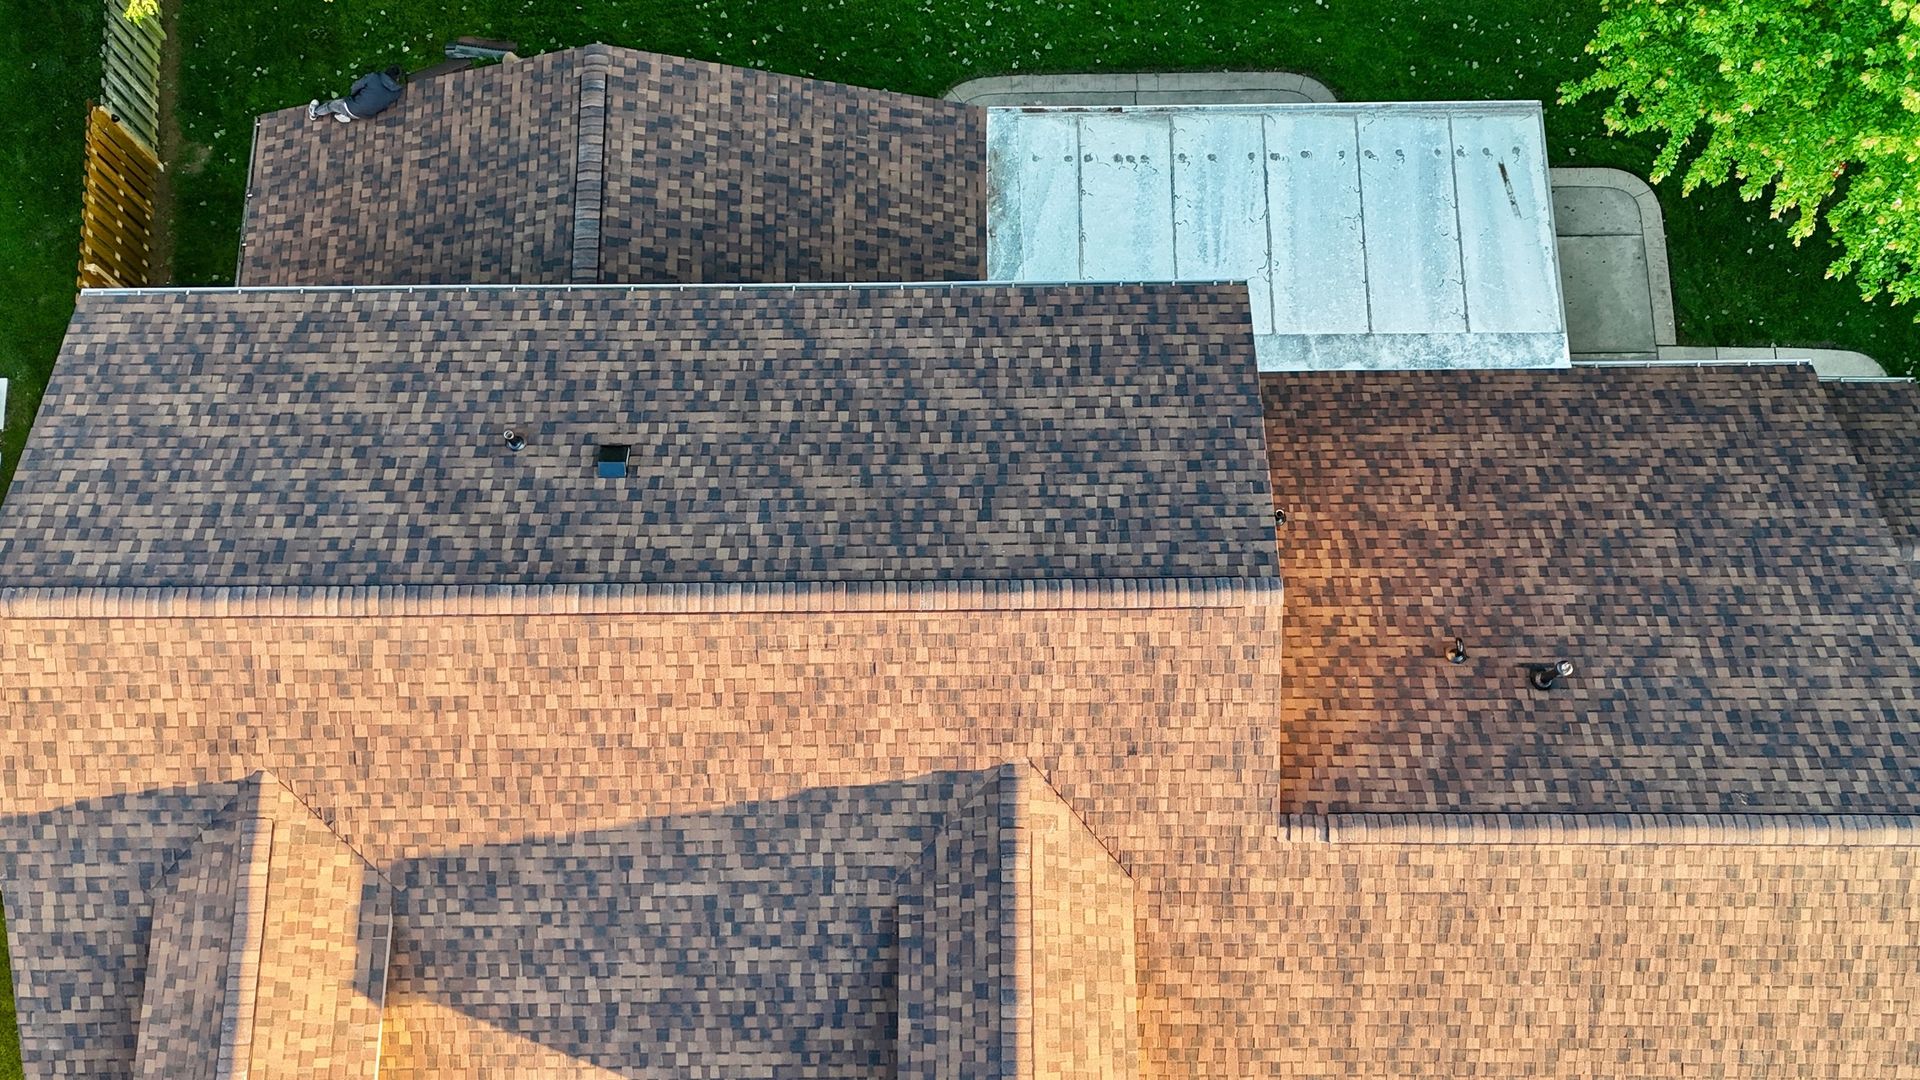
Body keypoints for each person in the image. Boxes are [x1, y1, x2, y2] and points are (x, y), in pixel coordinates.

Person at [308, 65, 407, 124]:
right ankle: (344, 115)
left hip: (353, 107)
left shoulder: (374, 77)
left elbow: (356, 86)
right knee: (346, 106)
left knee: (332, 105)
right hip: (367, 115)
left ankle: (314, 113)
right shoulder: (397, 92)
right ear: (397, 78)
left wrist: (352, 96)